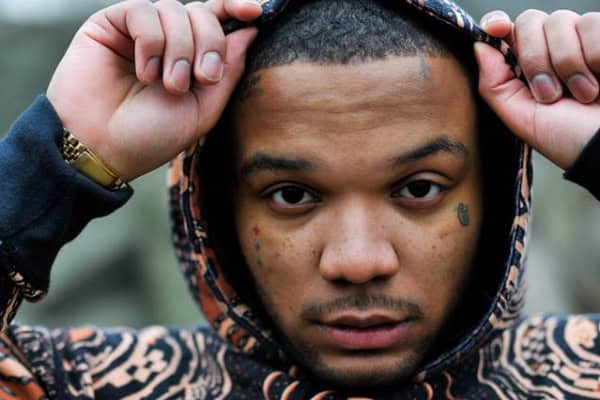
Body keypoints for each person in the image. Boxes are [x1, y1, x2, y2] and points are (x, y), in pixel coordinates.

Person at [0, 0, 599, 398]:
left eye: (419, 189)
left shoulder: (581, 373)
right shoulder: (92, 384)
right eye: (292, 195)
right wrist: (57, 159)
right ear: (219, 209)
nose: (357, 261)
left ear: (494, 196)